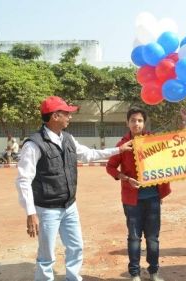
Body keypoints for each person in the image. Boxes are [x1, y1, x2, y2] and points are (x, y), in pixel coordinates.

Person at [15, 96, 133, 281]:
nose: (70, 117)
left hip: (69, 206)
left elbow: (89, 154)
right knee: (47, 256)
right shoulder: (34, 144)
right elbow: (23, 180)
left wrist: (119, 149)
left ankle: (73, 278)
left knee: (76, 246)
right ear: (55, 116)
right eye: (66, 113)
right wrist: (31, 213)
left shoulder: (68, 139)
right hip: (47, 209)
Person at [106, 107, 186, 281]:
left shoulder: (153, 140)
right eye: (133, 120)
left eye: (140, 121)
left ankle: (153, 272)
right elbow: (110, 167)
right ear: (127, 123)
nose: (137, 124)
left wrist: (183, 123)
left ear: (144, 123)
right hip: (131, 200)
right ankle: (134, 273)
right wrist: (126, 178)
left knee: (152, 238)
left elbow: (174, 142)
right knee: (134, 238)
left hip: (152, 198)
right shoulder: (122, 145)